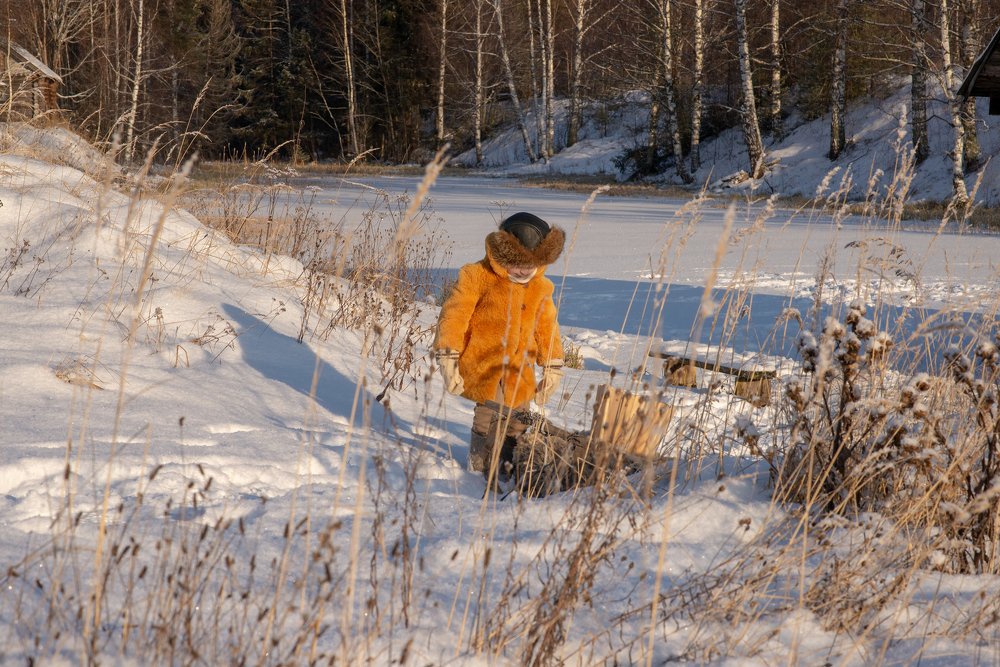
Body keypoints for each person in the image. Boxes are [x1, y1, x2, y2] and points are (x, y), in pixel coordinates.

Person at [434, 212, 566, 483]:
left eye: (530, 264)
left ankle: (508, 464)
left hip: (521, 366)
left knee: (519, 417)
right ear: (501, 255)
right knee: (489, 413)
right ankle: (478, 463)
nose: (523, 271)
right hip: (485, 361)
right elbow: (455, 315)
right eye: (516, 263)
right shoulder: (476, 276)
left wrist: (553, 364)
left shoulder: (541, 287)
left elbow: (547, 326)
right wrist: (448, 355)